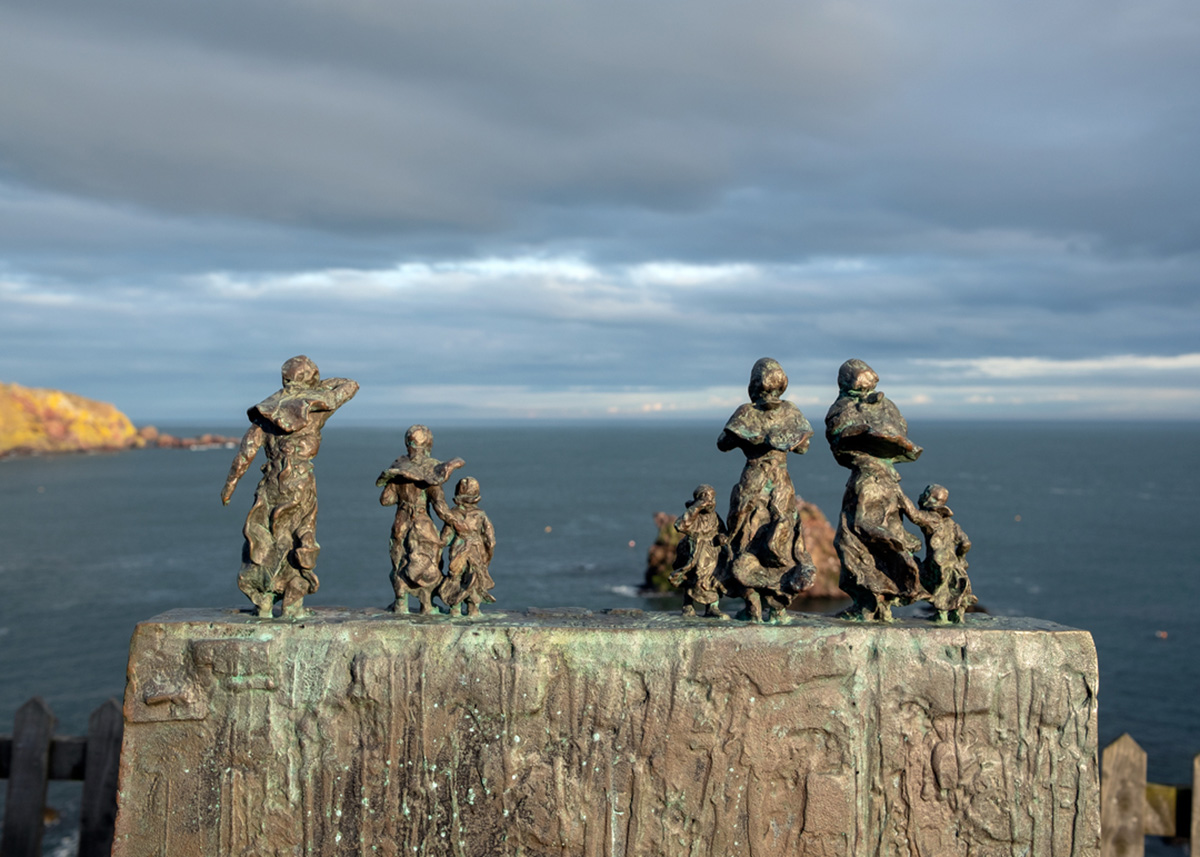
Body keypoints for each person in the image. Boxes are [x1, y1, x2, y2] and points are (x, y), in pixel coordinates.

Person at [221, 355, 358, 618]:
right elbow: (351, 385)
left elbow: (244, 455)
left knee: (264, 540)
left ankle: (263, 603)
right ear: (311, 377)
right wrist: (319, 386)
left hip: (270, 485)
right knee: (299, 538)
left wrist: (230, 486)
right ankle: (292, 606)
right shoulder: (315, 407)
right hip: (299, 485)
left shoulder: (266, 410)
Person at [717, 358, 816, 623]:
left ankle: (753, 604)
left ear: (753, 383)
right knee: (780, 535)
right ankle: (777, 607)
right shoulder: (790, 410)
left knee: (745, 535)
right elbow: (803, 446)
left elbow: (723, 443)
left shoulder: (746, 411)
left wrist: (752, 434)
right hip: (779, 479)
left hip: (754, 478)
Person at [825, 358, 924, 622]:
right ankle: (877, 601)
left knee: (853, 536)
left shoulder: (872, 405)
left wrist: (871, 435)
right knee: (860, 536)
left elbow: (898, 439)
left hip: (871, 479)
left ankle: (874, 601)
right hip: (882, 479)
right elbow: (838, 437)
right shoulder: (855, 406)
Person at [376, 425, 464, 614]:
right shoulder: (432, 470)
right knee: (429, 564)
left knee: (399, 562)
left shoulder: (398, 466)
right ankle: (427, 606)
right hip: (422, 524)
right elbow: (440, 507)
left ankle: (401, 604)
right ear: (428, 444)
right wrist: (456, 523)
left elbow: (385, 500)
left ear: (407, 443)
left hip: (401, 522)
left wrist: (394, 481)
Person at [909, 484, 975, 623]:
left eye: (924, 494)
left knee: (930, 584)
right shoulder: (951, 524)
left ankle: (942, 616)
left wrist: (900, 498)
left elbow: (914, 515)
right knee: (952, 589)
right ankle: (956, 615)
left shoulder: (931, 519)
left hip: (937, 561)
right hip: (953, 562)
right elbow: (966, 543)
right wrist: (960, 557)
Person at [436, 477, 497, 617]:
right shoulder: (481, 515)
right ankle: (473, 609)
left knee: (455, 578)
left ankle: (455, 608)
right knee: (475, 578)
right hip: (476, 549)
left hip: (458, 548)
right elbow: (491, 540)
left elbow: (445, 538)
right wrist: (488, 555)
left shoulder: (453, 515)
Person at [669, 484, 729, 619]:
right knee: (692, 577)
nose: (710, 502)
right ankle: (688, 605)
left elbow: (722, 531)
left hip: (713, 551)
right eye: (707, 499)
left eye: (713, 499)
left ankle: (713, 607)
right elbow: (680, 525)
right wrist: (697, 507)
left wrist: (722, 537)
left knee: (714, 578)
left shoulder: (715, 516)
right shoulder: (693, 514)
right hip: (695, 550)